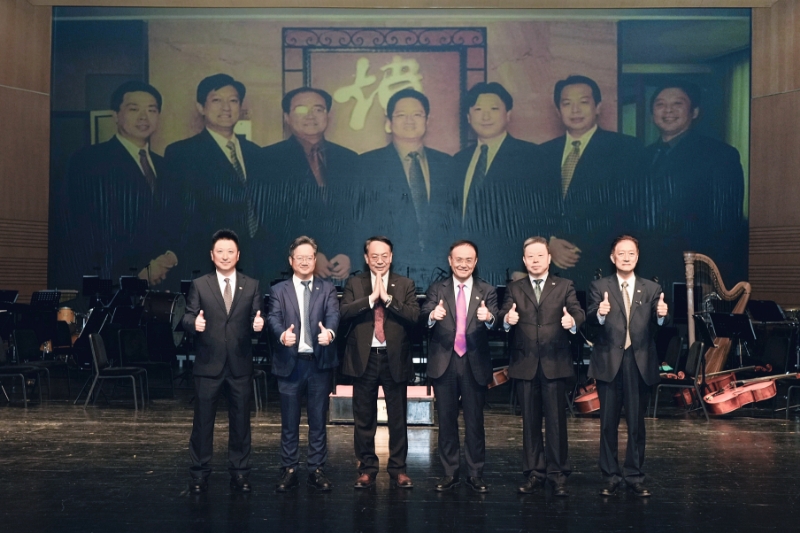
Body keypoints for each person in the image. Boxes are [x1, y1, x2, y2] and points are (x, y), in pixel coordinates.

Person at [59, 80, 177, 289]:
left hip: (162, 285)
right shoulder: (89, 160)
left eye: (151, 110)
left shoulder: (167, 166)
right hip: (112, 284)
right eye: (134, 109)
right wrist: (137, 271)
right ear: (115, 115)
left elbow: (174, 222)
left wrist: (168, 258)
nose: (143, 117)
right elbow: (86, 229)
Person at [498, 236, 584, 497]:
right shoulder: (515, 287)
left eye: (540, 256)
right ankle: (534, 472)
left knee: (557, 422)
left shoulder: (565, 285)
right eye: (530, 257)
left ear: (549, 259)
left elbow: (577, 312)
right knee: (530, 422)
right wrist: (507, 319)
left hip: (554, 363)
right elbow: (502, 314)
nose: (535, 260)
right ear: (524, 261)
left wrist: (573, 322)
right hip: (525, 363)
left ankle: (558, 474)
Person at [538, 75, 642, 285]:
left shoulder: (625, 149)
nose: (575, 110)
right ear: (558, 110)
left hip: (601, 266)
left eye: (583, 102)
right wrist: (549, 242)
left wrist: (580, 246)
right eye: (567, 103)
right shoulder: (542, 153)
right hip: (549, 270)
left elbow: (629, 209)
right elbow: (532, 206)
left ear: (598, 107)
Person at [182, 229, 264, 494]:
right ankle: (199, 473)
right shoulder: (200, 284)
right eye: (220, 251)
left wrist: (258, 325)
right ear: (212, 255)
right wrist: (193, 323)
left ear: (238, 255)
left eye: (230, 251)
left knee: (241, 423)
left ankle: (240, 472)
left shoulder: (251, 285)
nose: (225, 256)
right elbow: (187, 316)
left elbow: (256, 318)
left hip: (240, 365)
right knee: (202, 423)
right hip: (208, 365)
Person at [640, 82, 747, 286]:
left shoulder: (719, 155)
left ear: (694, 112)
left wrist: (710, 276)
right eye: (660, 104)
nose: (668, 110)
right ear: (652, 113)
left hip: (693, 273)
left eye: (677, 104)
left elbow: (726, 223)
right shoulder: (642, 156)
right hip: (645, 271)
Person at [586, 235, 668, 498]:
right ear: (613, 257)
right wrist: (600, 314)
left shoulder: (651, 288)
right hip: (609, 362)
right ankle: (610, 476)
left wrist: (662, 316)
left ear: (637, 256)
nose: (626, 257)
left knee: (636, 424)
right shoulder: (599, 286)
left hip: (638, 362)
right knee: (607, 424)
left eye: (631, 253)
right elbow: (589, 321)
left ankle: (634, 475)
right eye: (621, 253)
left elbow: (659, 325)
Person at [164, 73, 265, 282]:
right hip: (206, 265)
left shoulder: (256, 153)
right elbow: (180, 217)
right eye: (217, 100)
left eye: (233, 101)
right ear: (201, 107)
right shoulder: (182, 153)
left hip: (254, 265)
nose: (226, 107)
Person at [339, 236, 420, 489]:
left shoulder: (405, 284)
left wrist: (389, 300)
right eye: (374, 256)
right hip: (364, 358)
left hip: (394, 357)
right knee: (364, 418)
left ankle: (398, 469)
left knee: (398, 418)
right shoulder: (355, 283)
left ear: (391, 257)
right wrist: (371, 299)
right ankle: (367, 468)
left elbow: (414, 316)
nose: (380, 260)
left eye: (385, 256)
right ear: (366, 258)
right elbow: (343, 312)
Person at [421, 240, 499, 493]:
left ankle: (475, 473)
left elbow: (497, 320)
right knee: (446, 421)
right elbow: (423, 314)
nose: (463, 264)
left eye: (468, 260)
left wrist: (489, 318)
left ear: (475, 262)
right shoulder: (438, 288)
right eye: (459, 259)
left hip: (474, 362)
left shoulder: (487, 290)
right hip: (444, 361)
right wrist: (432, 316)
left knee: (475, 421)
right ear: (450, 261)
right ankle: (449, 472)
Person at [358, 88, 457, 286]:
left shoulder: (447, 164)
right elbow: (359, 221)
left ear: (427, 121)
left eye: (417, 115)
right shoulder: (367, 164)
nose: (409, 120)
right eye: (401, 115)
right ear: (389, 122)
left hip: (441, 271)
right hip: (387, 271)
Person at [261, 87, 359, 281]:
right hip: (287, 272)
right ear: (287, 117)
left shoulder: (349, 159)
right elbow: (270, 219)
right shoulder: (267, 159)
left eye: (318, 109)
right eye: (301, 109)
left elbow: (358, 214)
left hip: (340, 273)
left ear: (328, 115)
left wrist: (349, 254)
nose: (310, 115)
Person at [267, 236, 340, 492]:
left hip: (318, 364)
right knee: (289, 422)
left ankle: (316, 469)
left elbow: (333, 315)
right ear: (291, 261)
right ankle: (289, 469)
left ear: (315, 260)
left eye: (309, 257)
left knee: (318, 421)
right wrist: (281, 335)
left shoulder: (327, 289)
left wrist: (329, 333)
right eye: (300, 258)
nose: (305, 261)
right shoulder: (279, 290)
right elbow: (273, 318)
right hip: (290, 363)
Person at [455, 82, 542, 285]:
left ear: (508, 114)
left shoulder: (529, 155)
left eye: (494, 109)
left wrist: (523, 266)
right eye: (478, 110)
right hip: (464, 269)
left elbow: (539, 214)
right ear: (468, 117)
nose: (485, 116)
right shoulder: (459, 160)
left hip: (510, 271)